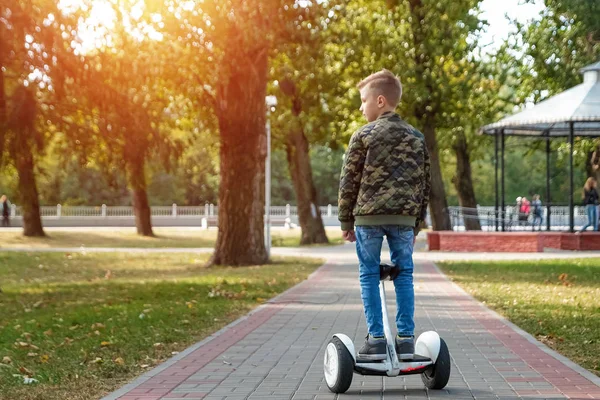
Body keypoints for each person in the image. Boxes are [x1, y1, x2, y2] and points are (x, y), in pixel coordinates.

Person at [338, 69, 431, 361]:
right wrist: (417, 222)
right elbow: (424, 183)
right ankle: (405, 339)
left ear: (380, 101)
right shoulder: (416, 137)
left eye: (363, 100)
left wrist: (346, 221)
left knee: (368, 274)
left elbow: (348, 180)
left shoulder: (363, 135)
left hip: (369, 218)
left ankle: (377, 338)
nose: (360, 107)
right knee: (404, 274)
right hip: (404, 220)